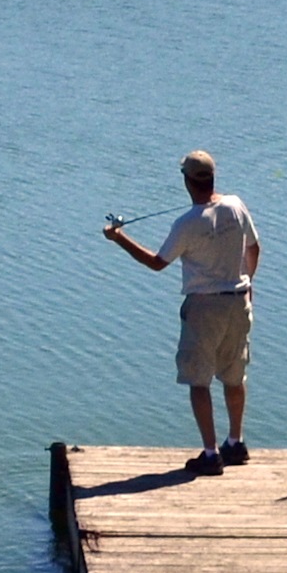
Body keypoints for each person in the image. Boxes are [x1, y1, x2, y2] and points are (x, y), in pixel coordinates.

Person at [104, 149, 261, 474]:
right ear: (212, 177)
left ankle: (210, 454)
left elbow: (157, 263)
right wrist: (246, 283)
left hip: (204, 307)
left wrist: (118, 238)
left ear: (188, 181)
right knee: (234, 375)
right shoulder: (236, 205)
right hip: (238, 300)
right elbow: (254, 247)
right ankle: (236, 443)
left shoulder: (187, 223)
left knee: (198, 379)